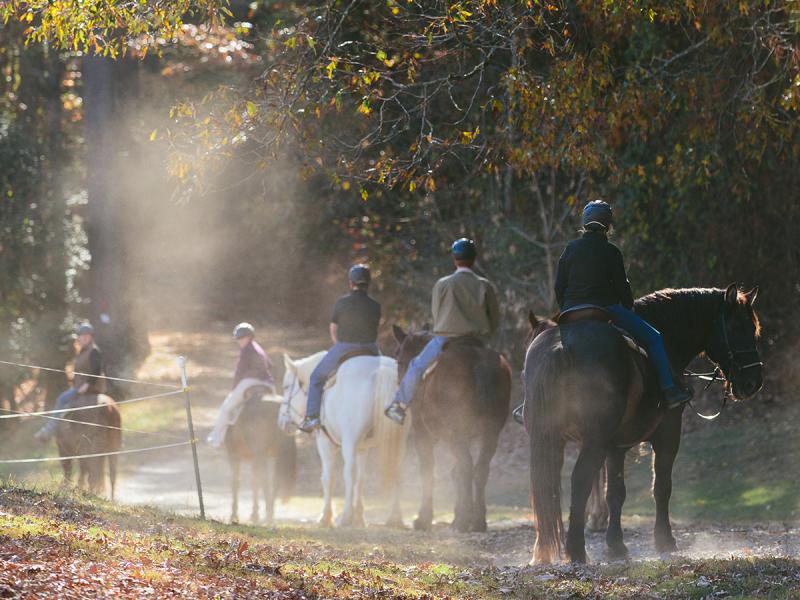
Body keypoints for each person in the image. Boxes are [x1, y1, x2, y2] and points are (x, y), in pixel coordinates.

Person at [554, 200, 692, 410]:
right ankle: (669, 390)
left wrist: (566, 308)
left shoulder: (570, 249)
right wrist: (628, 305)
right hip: (605, 309)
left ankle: (527, 402)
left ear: (584, 224)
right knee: (654, 338)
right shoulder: (612, 252)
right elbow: (622, 289)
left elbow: (559, 286)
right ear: (608, 226)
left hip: (570, 312)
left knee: (541, 343)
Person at [384, 238, 500, 425]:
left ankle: (399, 406)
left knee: (416, 366)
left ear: (454, 259)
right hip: (476, 340)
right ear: (474, 259)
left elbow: (436, 315)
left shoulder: (442, 284)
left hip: (446, 339)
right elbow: (494, 319)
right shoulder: (485, 285)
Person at [298, 264, 381, 433]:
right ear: (368, 283)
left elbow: (333, 328)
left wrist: (338, 344)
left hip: (345, 347)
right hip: (371, 348)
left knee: (316, 377)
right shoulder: (375, 305)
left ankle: (312, 417)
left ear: (351, 283)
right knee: (389, 375)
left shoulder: (341, 302)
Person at [206, 323, 275, 448]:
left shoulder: (246, 350)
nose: (239, 341)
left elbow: (239, 372)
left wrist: (233, 390)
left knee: (226, 407)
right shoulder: (258, 348)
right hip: (268, 383)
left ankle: (216, 437)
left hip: (250, 381)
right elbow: (270, 365)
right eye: (238, 338)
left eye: (242, 337)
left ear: (249, 337)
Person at [35, 322, 106, 443]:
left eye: (87, 335)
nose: (84, 338)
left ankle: (48, 431)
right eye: (82, 335)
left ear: (91, 337)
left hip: (89, 387)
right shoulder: (83, 351)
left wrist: (86, 385)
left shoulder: (93, 350)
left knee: (61, 399)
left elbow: (96, 370)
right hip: (81, 386)